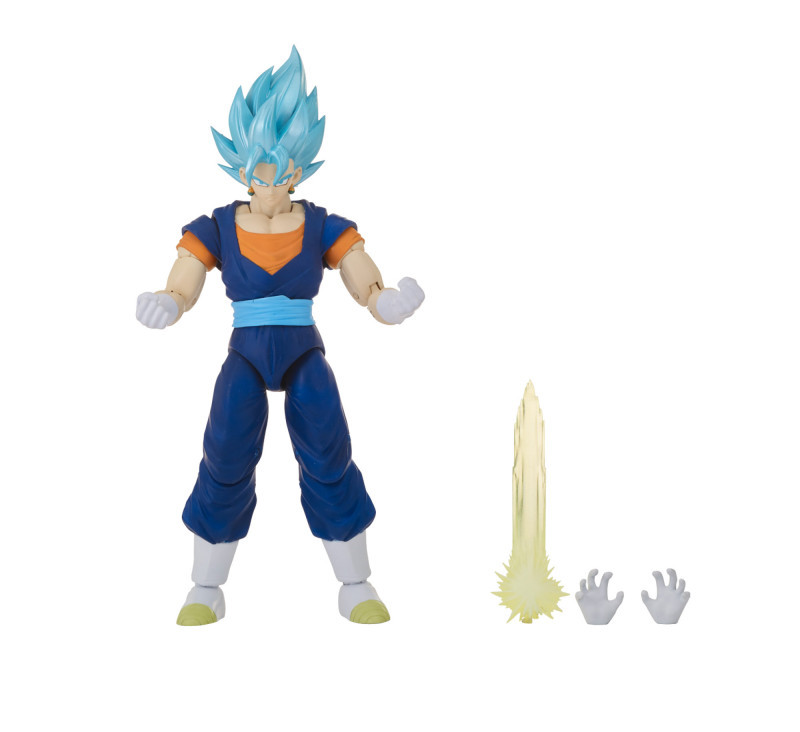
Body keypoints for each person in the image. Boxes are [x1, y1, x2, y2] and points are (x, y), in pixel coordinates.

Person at [136, 47, 424, 626]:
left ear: (301, 167)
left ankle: (356, 584)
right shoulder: (218, 225)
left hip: (303, 351)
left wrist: (386, 302)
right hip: (244, 352)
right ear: (241, 166)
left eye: (283, 170)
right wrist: (168, 301)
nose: (270, 183)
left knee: (328, 451)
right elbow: (185, 280)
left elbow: (363, 278)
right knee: (225, 452)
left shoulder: (321, 223)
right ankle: (205, 587)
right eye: (260, 170)